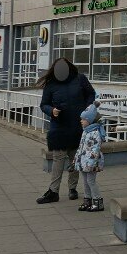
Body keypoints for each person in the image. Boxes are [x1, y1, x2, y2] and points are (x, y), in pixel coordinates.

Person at [36, 57, 96, 204]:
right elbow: (44, 104)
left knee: (74, 159)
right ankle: (53, 191)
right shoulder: (51, 84)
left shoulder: (80, 79)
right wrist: (52, 111)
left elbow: (91, 94)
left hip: (77, 126)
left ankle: (72, 188)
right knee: (58, 159)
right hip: (59, 128)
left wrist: (88, 109)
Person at [74, 103, 106, 212]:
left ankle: (98, 201)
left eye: (83, 119)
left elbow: (95, 149)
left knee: (91, 181)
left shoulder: (95, 133)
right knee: (85, 181)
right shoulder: (86, 131)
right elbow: (81, 147)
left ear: (89, 120)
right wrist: (76, 160)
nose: (81, 121)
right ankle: (87, 200)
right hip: (84, 161)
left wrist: (91, 163)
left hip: (92, 162)